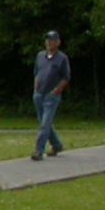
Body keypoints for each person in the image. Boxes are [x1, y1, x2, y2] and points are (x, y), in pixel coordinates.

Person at [31, 31, 70, 161]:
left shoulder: (62, 58)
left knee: (45, 123)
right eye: (48, 40)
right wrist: (36, 85)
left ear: (58, 42)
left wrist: (57, 90)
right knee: (44, 122)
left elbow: (66, 77)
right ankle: (57, 145)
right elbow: (37, 71)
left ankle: (38, 150)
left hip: (51, 96)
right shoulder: (40, 56)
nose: (49, 42)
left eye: (52, 40)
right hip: (39, 94)